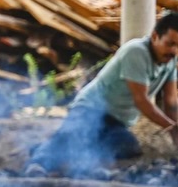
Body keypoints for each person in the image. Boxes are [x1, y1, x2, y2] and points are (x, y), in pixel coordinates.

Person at [26, 12, 178, 176]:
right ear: (155, 36)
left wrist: (176, 134)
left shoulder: (171, 60)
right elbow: (141, 100)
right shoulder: (136, 52)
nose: (174, 51)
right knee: (74, 136)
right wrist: (171, 127)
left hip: (116, 122)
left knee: (128, 147)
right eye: (170, 44)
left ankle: (73, 156)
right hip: (90, 109)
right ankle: (38, 161)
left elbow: (171, 103)